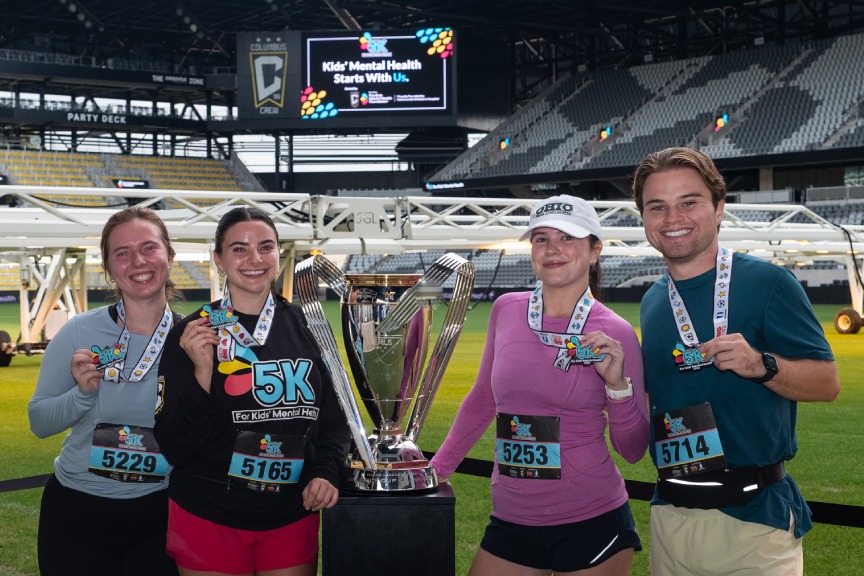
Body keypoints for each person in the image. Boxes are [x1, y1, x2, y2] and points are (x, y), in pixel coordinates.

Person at [631, 147, 841, 576]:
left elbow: (827, 383)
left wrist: (763, 365)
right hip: (670, 514)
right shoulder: (653, 301)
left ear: (719, 207)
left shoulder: (768, 283)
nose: (673, 218)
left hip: (753, 521)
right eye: (658, 207)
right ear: (644, 218)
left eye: (688, 202)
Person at [430, 195, 649, 576]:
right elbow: (483, 400)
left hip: (591, 518)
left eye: (567, 238)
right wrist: (437, 469)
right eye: (541, 238)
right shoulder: (507, 309)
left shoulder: (614, 331)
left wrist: (617, 387)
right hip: (511, 517)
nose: (552, 250)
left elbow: (631, 451)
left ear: (595, 250)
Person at [153, 206, 350, 576]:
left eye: (266, 246)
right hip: (208, 512)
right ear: (219, 259)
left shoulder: (308, 326)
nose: (255, 259)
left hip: (291, 511)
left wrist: (326, 472)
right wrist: (203, 371)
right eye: (239, 249)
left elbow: (336, 419)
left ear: (279, 254)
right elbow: (174, 445)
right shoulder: (192, 333)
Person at [28, 206, 180, 576]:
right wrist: (81, 395)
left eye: (148, 248)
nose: (137, 261)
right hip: (78, 515)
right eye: (122, 253)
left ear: (169, 257)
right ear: (109, 268)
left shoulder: (193, 338)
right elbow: (39, 422)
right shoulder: (80, 331)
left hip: (161, 514)